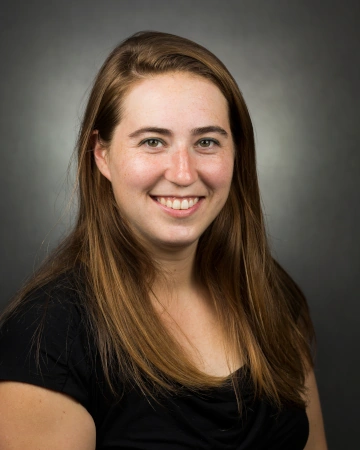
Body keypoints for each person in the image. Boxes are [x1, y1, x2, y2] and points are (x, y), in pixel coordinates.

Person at [0, 31, 327, 449]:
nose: (184, 173)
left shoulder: (270, 296)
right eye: (153, 141)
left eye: (206, 142)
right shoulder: (46, 337)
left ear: (236, 153)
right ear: (102, 154)